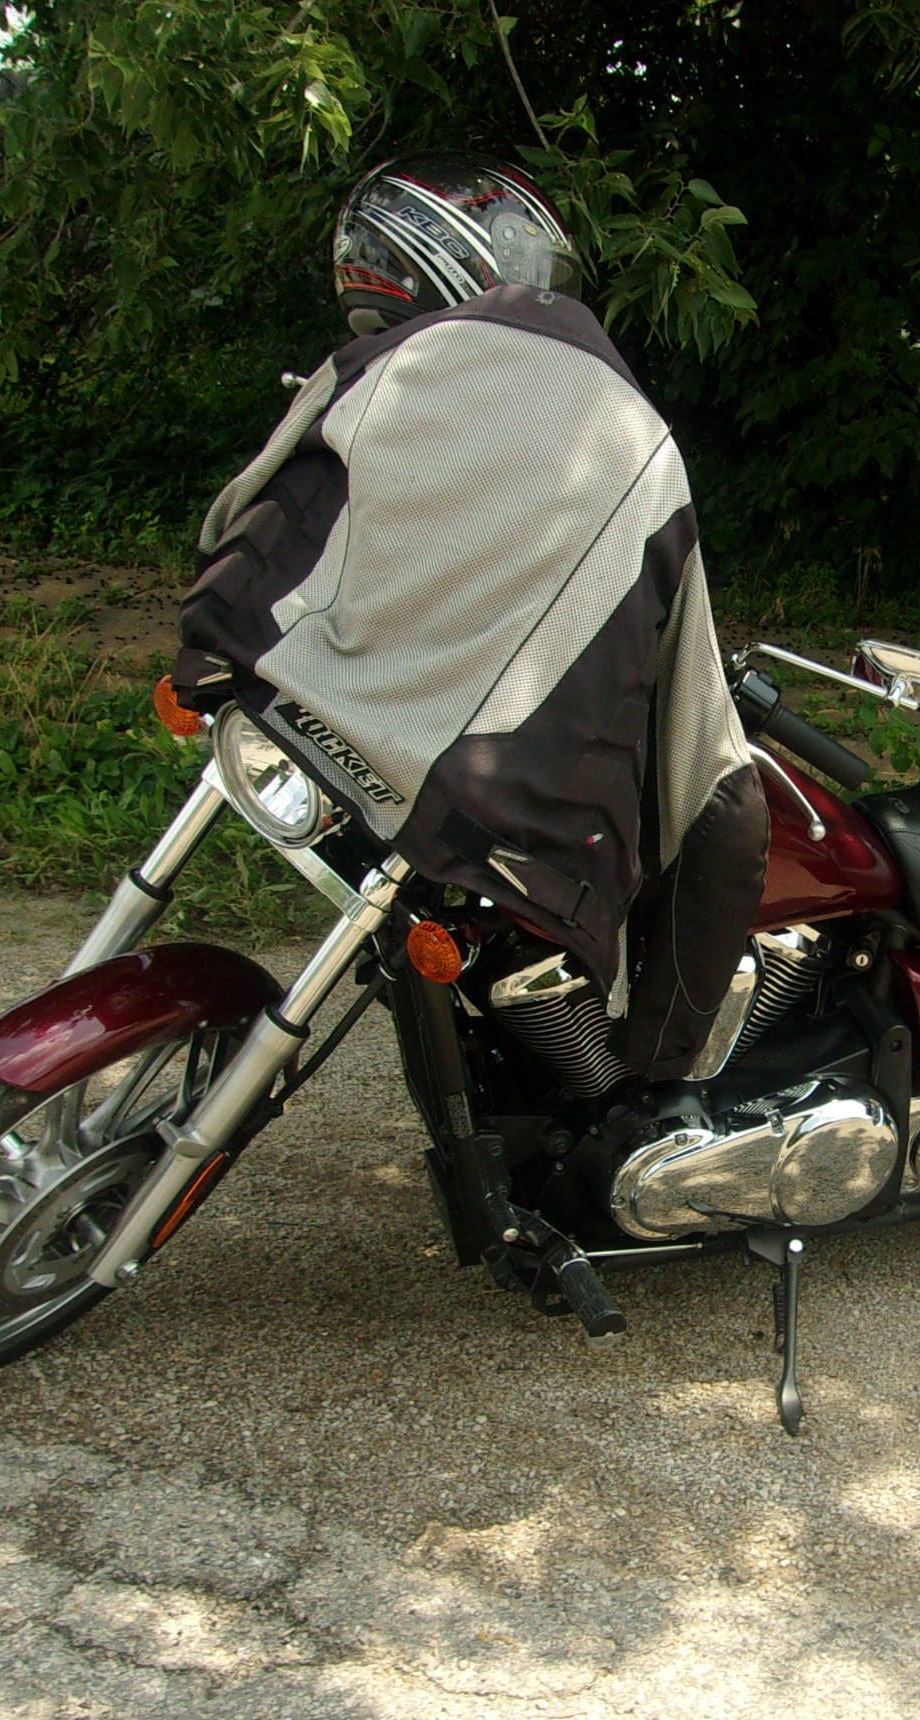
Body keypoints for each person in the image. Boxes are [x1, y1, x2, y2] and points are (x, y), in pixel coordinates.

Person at [170, 155, 766, 1079]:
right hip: (433, 761)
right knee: (728, 817)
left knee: (739, 823)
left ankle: (651, 1086)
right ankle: (651, 1072)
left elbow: (246, 510)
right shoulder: (605, 423)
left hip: (435, 755)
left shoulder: (404, 380)